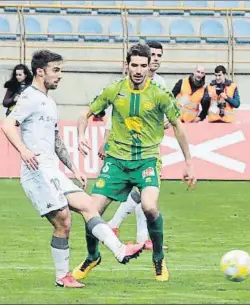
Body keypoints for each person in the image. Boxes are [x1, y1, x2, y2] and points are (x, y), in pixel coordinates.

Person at [1, 50, 144, 288]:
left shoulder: (48, 101)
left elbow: (55, 140)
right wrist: (24, 151)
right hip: (36, 173)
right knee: (64, 221)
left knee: (88, 205)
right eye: (56, 70)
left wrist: (73, 168)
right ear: (40, 72)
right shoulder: (30, 97)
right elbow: (7, 125)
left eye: (60, 70)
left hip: (52, 171)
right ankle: (62, 276)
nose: (60, 75)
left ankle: (120, 251)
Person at [73, 44, 196, 282]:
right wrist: (81, 134)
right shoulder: (114, 90)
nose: (138, 70)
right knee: (91, 211)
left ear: (149, 66)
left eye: (143, 65)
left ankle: (158, 258)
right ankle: (92, 256)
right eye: (134, 65)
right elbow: (84, 114)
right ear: (126, 66)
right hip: (116, 161)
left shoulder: (160, 93)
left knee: (149, 207)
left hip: (146, 160)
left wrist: (189, 162)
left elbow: (178, 126)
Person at [103, 41, 169, 252]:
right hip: (123, 149)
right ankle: (130, 232)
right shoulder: (124, 85)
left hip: (149, 148)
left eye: (160, 55)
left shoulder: (161, 84)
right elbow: (113, 116)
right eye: (154, 55)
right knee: (141, 193)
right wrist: (106, 141)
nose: (157, 59)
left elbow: (167, 115)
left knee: (143, 194)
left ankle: (126, 230)